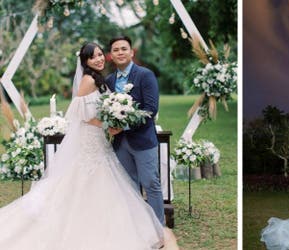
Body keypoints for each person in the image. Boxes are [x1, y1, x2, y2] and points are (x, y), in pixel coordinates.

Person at [0, 42, 178, 249]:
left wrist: (115, 121)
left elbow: (142, 108)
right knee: (87, 183)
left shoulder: (103, 79)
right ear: (85, 61)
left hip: (106, 141)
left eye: (100, 55)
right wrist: (109, 124)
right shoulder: (87, 80)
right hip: (91, 141)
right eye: (93, 57)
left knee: (129, 184)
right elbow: (78, 114)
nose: (99, 59)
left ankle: (152, 229)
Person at [105, 35, 166, 226]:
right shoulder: (109, 80)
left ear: (131, 52)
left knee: (151, 184)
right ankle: (139, 227)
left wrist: (123, 125)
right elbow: (105, 109)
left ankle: (159, 227)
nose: (120, 52)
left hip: (142, 140)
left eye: (124, 49)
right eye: (116, 50)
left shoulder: (145, 75)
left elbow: (151, 109)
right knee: (130, 186)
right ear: (111, 56)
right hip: (120, 143)